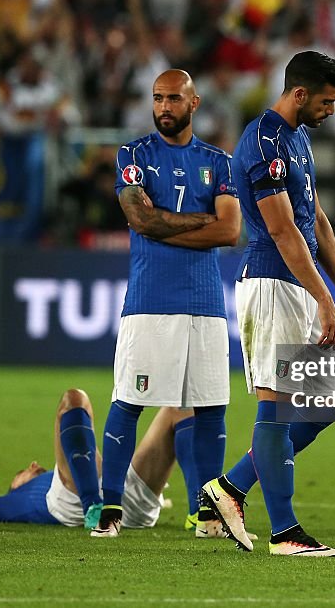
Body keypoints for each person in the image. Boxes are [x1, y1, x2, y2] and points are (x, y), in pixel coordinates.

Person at [201, 51, 335, 558]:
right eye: (327, 101)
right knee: (278, 403)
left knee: (325, 405)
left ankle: (228, 488)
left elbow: (316, 220)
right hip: (272, 283)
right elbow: (281, 229)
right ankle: (285, 532)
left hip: (301, 286)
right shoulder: (263, 141)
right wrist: (322, 297)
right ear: (299, 93)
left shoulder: (300, 138)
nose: (331, 109)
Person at [90, 69, 241, 538]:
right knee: (129, 401)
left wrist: (167, 221)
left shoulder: (219, 162)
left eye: (173, 99)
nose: (163, 108)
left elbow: (231, 231)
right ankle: (110, 510)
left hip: (207, 304)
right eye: (157, 99)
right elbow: (141, 220)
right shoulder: (133, 155)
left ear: (194, 104)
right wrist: (200, 223)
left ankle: (208, 513)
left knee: (211, 405)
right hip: (151, 301)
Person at [0, 388, 234, 536]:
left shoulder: (66, 474)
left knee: (182, 406)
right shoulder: (13, 503)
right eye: (22, 472)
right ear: (16, 486)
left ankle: (201, 513)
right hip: (79, 503)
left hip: (118, 495)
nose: (33, 465)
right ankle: (94, 507)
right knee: (73, 398)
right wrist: (0, 500)